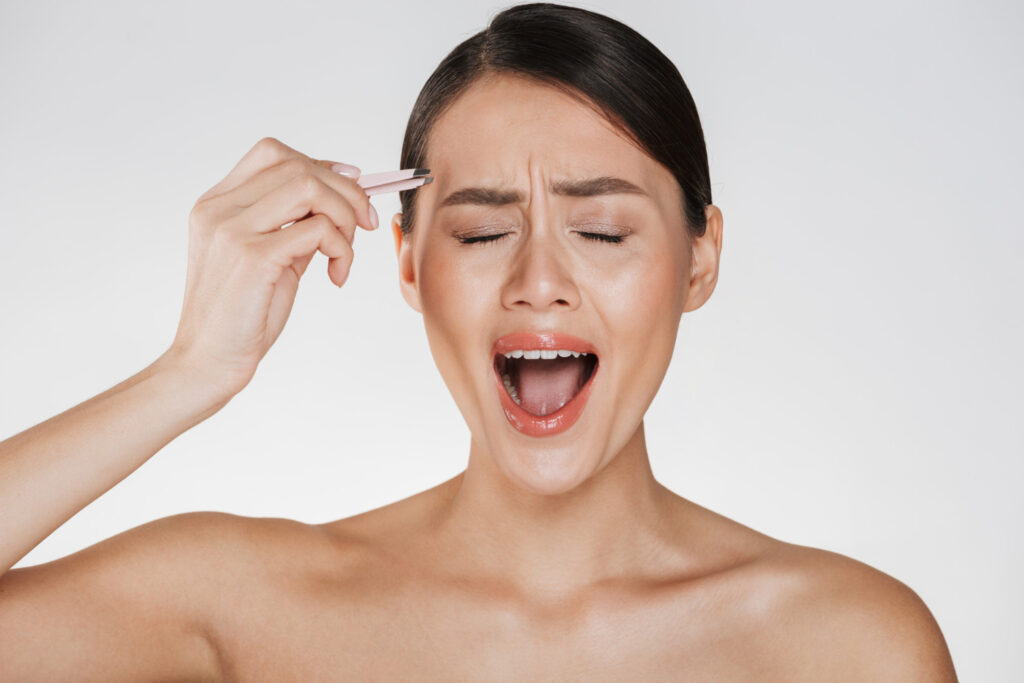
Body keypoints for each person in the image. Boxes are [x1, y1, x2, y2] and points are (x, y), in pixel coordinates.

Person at [0, 2, 958, 679]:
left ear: (700, 259)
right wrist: (189, 371)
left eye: (604, 232)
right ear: (410, 266)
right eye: (482, 232)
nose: (539, 281)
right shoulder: (241, 603)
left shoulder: (848, 645)